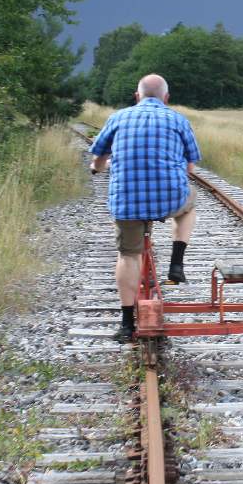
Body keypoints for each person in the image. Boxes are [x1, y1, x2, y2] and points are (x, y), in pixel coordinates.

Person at [88, 73, 201, 340]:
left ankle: (126, 324)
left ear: (137, 96)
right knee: (190, 203)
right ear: (166, 98)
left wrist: (96, 168)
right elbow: (190, 167)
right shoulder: (178, 119)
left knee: (128, 255)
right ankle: (176, 264)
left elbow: (99, 159)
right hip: (169, 198)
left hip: (128, 201)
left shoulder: (117, 118)